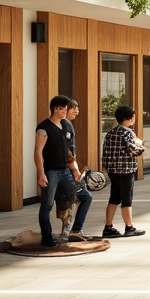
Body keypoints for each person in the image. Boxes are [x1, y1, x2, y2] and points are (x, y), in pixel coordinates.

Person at [35, 95, 89, 249]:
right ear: (57, 108)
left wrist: (75, 170)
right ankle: (47, 236)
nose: (67, 112)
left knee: (85, 196)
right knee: (47, 206)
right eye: (65, 109)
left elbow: (69, 152)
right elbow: (38, 151)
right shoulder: (43, 128)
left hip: (66, 172)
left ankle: (76, 230)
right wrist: (41, 173)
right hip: (51, 172)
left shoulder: (67, 125)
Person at [101, 105, 147, 237]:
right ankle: (129, 227)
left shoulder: (111, 132)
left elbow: (105, 153)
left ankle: (108, 227)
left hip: (112, 171)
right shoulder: (127, 132)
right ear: (129, 118)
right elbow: (134, 150)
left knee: (114, 198)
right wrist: (140, 143)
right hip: (125, 171)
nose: (134, 119)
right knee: (127, 199)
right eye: (133, 117)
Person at [60, 97, 94, 242]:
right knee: (85, 197)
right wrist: (75, 170)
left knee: (68, 201)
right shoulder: (65, 125)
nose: (77, 112)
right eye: (75, 109)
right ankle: (75, 230)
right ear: (65, 109)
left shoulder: (64, 124)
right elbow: (67, 150)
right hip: (66, 172)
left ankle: (67, 232)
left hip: (65, 170)